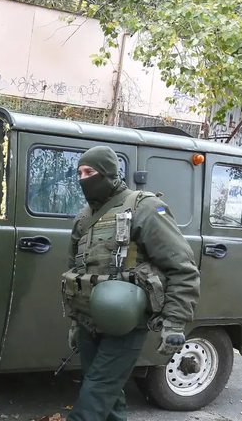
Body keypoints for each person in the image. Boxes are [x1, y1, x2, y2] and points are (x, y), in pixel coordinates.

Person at [62, 146, 200, 421]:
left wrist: (174, 322)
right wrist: (76, 323)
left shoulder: (143, 207)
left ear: (108, 173)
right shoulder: (84, 217)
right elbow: (76, 272)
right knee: (106, 394)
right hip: (90, 318)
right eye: (79, 173)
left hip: (125, 321)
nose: (83, 179)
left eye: (89, 172)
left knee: (97, 390)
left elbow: (182, 268)